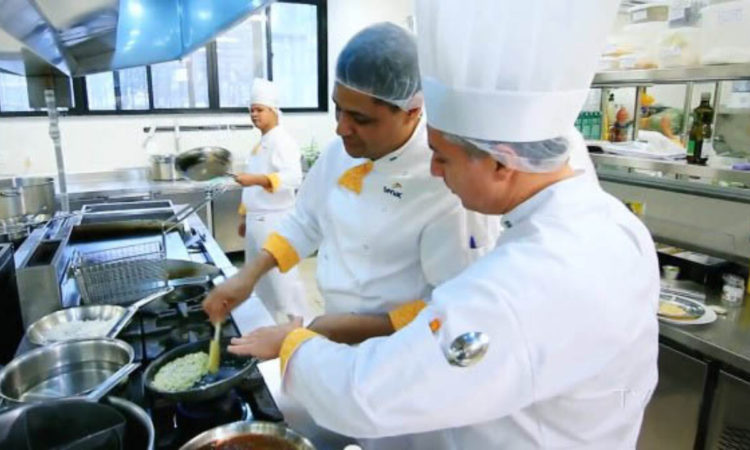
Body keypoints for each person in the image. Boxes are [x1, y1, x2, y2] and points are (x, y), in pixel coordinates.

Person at [226, 1, 660, 449]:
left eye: (443, 157)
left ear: (500, 164)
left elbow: (370, 394)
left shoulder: (522, 283)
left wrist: (295, 344)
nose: (434, 171)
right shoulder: (613, 224)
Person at [205, 23, 481, 343]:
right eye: (338, 109)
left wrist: (319, 331)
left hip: (399, 342)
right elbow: (305, 221)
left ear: (412, 112)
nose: (341, 129)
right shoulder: (341, 152)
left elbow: (450, 303)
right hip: (333, 324)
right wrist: (248, 276)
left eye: (361, 119)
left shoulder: (445, 181)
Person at [234, 78, 310, 324]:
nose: (254, 115)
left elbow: (293, 177)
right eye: (251, 110)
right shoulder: (262, 143)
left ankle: (301, 325)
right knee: (261, 282)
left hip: (275, 220)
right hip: (258, 221)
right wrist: (245, 217)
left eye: (260, 109)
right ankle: (266, 324)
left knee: (283, 278)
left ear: (273, 110)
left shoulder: (282, 141)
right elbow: (254, 188)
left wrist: (254, 179)